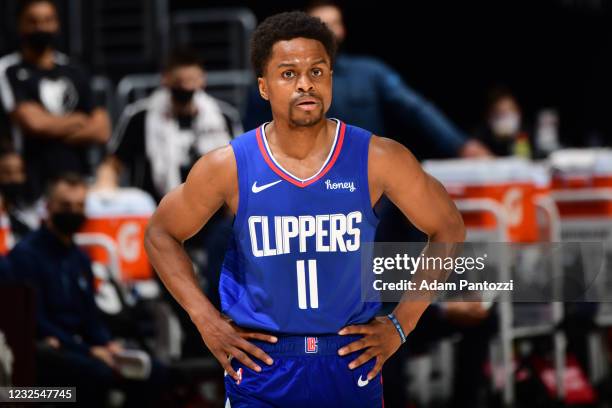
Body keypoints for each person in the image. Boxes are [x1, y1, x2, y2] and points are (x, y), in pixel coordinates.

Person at [145, 11, 465, 407]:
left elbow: (449, 227)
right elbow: (160, 234)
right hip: (263, 365)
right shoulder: (228, 165)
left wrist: (402, 324)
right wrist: (205, 320)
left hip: (349, 361)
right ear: (264, 87)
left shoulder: (378, 157)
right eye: (288, 73)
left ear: (330, 78)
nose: (304, 84)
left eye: (317, 71)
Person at [244, 1, 491, 159]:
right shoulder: (279, 78)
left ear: (342, 30)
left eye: (334, 23)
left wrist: (461, 145)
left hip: (365, 177)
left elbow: (416, 108)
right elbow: (254, 133)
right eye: (320, 25)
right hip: (300, 179)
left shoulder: (370, 72)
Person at [8, 173, 166, 407]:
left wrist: (107, 343)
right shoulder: (25, 256)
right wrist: (89, 350)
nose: (73, 211)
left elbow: (90, 316)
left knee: (155, 372)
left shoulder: (81, 259)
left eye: (79, 206)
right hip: (46, 351)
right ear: (49, 207)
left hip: (83, 348)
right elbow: (35, 322)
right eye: (65, 205)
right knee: (97, 375)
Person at [0, 0, 110, 201]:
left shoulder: (74, 70)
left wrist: (51, 128)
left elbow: (101, 129)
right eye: (33, 21)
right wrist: (77, 120)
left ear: (57, 24)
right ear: (19, 25)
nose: (41, 27)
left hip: (77, 183)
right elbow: (33, 123)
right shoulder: (7, 70)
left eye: (47, 20)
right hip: (30, 183)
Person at [108, 48, 239, 202]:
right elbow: (113, 165)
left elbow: (239, 168)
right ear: (165, 79)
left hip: (212, 212)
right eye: (179, 82)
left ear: (202, 80)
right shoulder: (141, 116)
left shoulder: (222, 118)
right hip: (155, 208)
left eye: (191, 81)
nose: (185, 88)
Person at [473, 86, 533, 158]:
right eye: (499, 113)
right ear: (488, 116)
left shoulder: (528, 131)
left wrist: (515, 138)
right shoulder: (481, 135)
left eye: (509, 111)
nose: (505, 118)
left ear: (519, 113)